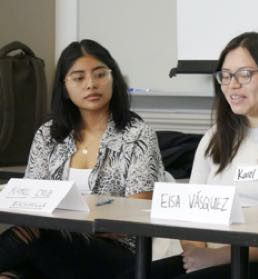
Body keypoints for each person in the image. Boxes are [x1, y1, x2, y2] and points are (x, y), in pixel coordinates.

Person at [118, 32, 258, 279]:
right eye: (225, 76)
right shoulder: (215, 137)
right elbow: (189, 211)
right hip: (210, 257)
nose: (232, 85)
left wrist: (219, 257)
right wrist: (196, 249)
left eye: (244, 75)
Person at [0, 39, 168, 279]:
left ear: (114, 79)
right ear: (64, 87)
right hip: (54, 248)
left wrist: (74, 222)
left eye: (100, 74)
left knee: (38, 234)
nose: (91, 84)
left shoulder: (137, 134)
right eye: (79, 78)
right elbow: (32, 204)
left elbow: (138, 213)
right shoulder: (48, 135)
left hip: (119, 255)